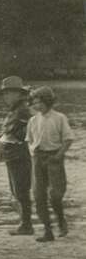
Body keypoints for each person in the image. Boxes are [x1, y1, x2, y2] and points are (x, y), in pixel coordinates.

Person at [27, 86, 73, 242]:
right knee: (38, 195)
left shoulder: (59, 118)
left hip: (54, 157)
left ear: (48, 101)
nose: (36, 105)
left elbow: (68, 139)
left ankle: (61, 221)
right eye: (34, 102)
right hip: (38, 158)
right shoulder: (33, 120)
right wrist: (33, 153)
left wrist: (59, 156)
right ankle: (48, 230)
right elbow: (30, 140)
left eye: (39, 102)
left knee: (55, 195)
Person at [0, 76, 34, 235]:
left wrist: (12, 137)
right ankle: (24, 222)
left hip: (20, 154)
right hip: (11, 155)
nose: (6, 97)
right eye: (5, 94)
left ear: (19, 94)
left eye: (9, 93)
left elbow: (30, 130)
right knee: (16, 189)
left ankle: (26, 224)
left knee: (21, 189)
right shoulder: (15, 110)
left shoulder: (24, 110)